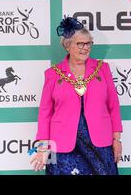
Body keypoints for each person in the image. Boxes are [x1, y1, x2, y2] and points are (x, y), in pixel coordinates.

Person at [30, 16, 123, 175]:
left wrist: (117, 139)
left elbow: (113, 107)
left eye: (88, 43)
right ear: (67, 45)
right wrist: (42, 148)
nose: (85, 48)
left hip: (99, 143)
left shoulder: (103, 69)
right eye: (80, 43)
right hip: (63, 146)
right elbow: (45, 114)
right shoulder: (53, 74)